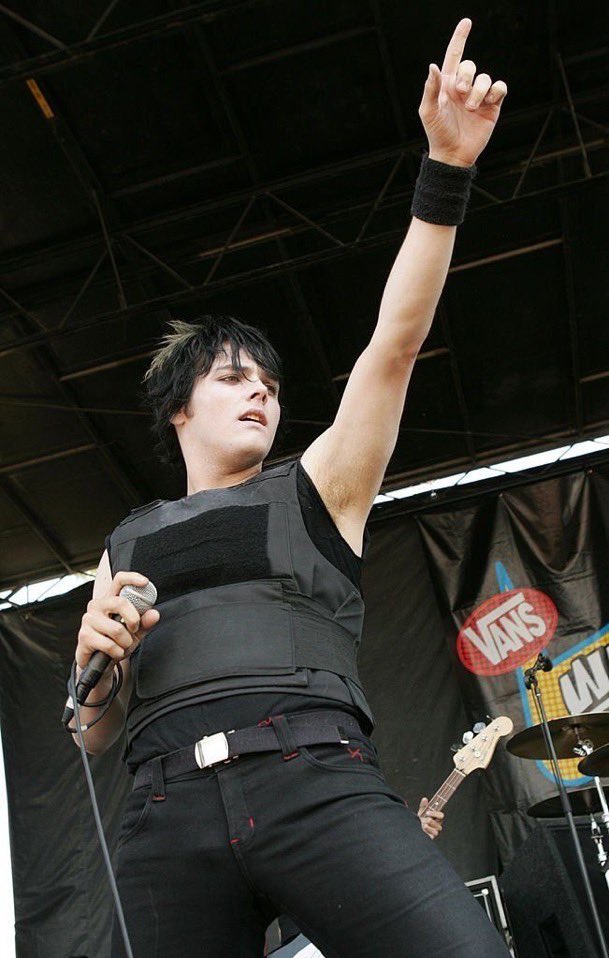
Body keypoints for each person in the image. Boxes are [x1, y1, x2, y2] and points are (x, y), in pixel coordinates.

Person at [73, 18, 508, 957]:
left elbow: (393, 346)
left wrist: (445, 169)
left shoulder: (319, 486)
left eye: (269, 384)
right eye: (233, 378)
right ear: (176, 409)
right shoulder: (128, 539)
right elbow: (94, 735)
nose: (260, 393)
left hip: (312, 776)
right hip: (164, 809)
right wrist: (92, 664)